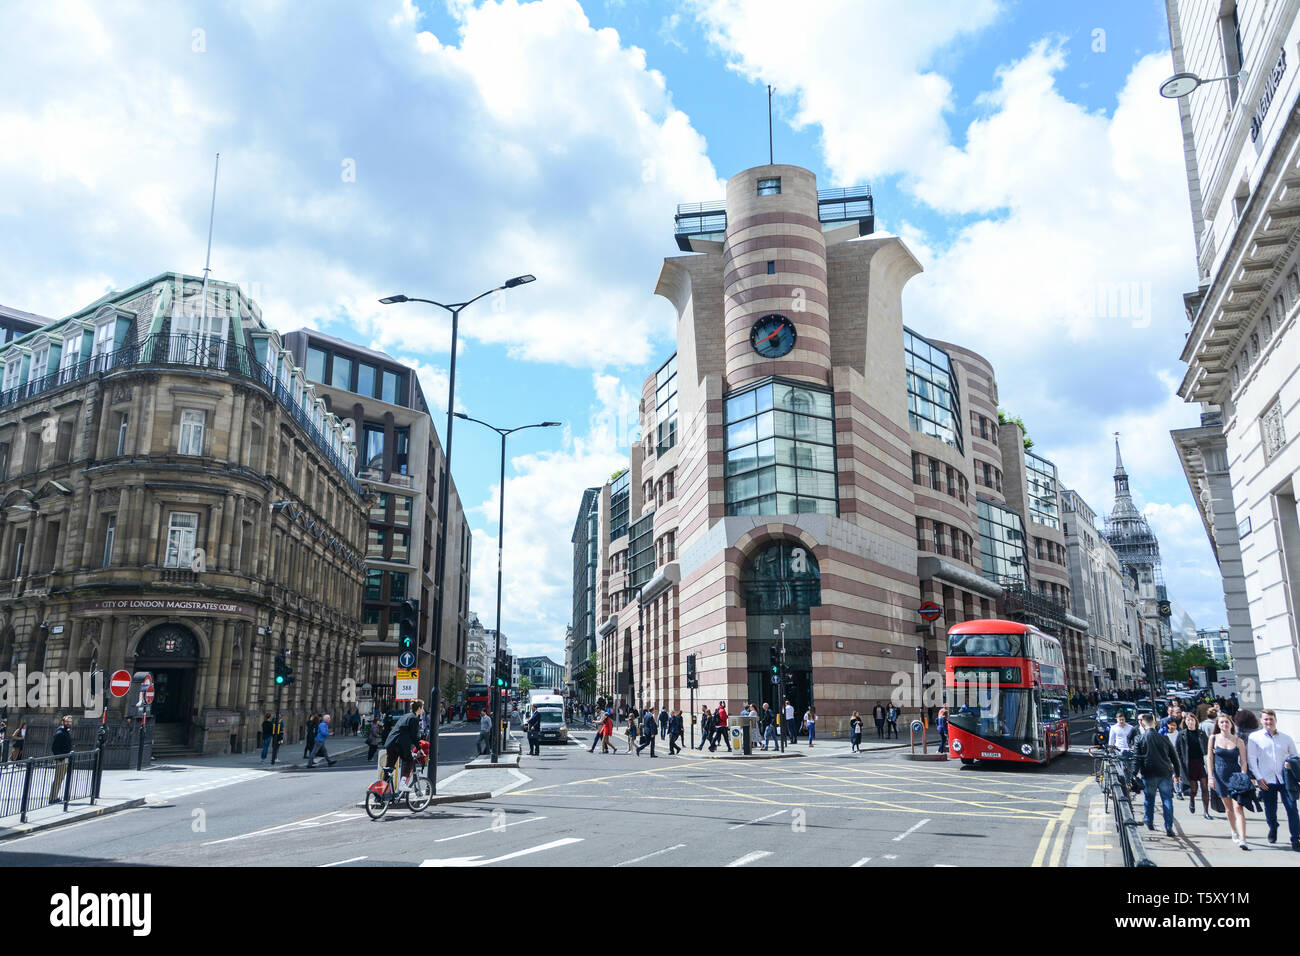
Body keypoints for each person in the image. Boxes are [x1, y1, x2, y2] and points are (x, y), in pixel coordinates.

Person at [1247, 708, 1300, 851]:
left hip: (1285, 780)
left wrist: (1290, 763)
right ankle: (1273, 827)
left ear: (1275, 720)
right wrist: (1258, 777)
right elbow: (1251, 759)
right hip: (1266, 780)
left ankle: (1296, 838)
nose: (1268, 722)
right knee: (1270, 809)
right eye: (1265, 719)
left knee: (1292, 809)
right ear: (1261, 720)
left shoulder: (1286, 738)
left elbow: (1295, 756)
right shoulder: (1254, 737)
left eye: (1271, 719)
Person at [1208, 712, 1251, 850]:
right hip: (1220, 776)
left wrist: (1243, 776)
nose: (1224, 724)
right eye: (1222, 722)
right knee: (1228, 809)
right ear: (1218, 725)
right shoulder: (1213, 738)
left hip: (1235, 777)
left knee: (1238, 807)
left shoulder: (1239, 741)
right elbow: (1209, 759)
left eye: (1227, 722)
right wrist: (1210, 777)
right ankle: (1234, 830)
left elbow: (1244, 761)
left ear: (1231, 724)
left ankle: (1243, 839)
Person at [1133, 713, 1177, 837]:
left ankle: (1149, 821)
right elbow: (1174, 758)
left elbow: (1137, 759)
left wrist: (1133, 775)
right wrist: (1177, 773)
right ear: (1155, 724)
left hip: (1148, 774)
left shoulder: (1139, 739)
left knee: (1149, 799)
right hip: (1165, 773)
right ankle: (1169, 827)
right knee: (1167, 800)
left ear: (1142, 723)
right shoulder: (1164, 738)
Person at [1174, 712, 1211, 820]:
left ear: (1195, 721)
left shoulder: (1201, 733)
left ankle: (1206, 812)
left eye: (1192, 720)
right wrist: (1179, 765)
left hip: (1201, 763)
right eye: (1188, 720)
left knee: (1205, 787)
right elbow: (1178, 750)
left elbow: (1207, 747)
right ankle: (1192, 800)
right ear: (1185, 722)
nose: (1190, 722)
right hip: (1189, 764)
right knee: (1193, 789)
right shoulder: (1182, 734)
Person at [383, 701, 424, 793]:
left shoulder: (405, 716)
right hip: (400, 744)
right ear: (419, 708)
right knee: (409, 760)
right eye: (422, 707)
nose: (422, 709)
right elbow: (414, 737)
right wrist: (420, 749)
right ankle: (402, 784)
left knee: (389, 767)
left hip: (390, 743)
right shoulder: (414, 718)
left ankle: (381, 791)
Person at [48, 714, 74, 804]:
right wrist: (60, 758)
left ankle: (54, 796)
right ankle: (52, 798)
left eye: (70, 722)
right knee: (58, 778)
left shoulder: (66, 731)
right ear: (62, 722)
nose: (68, 723)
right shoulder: (60, 733)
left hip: (64, 758)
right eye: (67, 721)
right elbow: (54, 748)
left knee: (60, 778)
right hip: (61, 759)